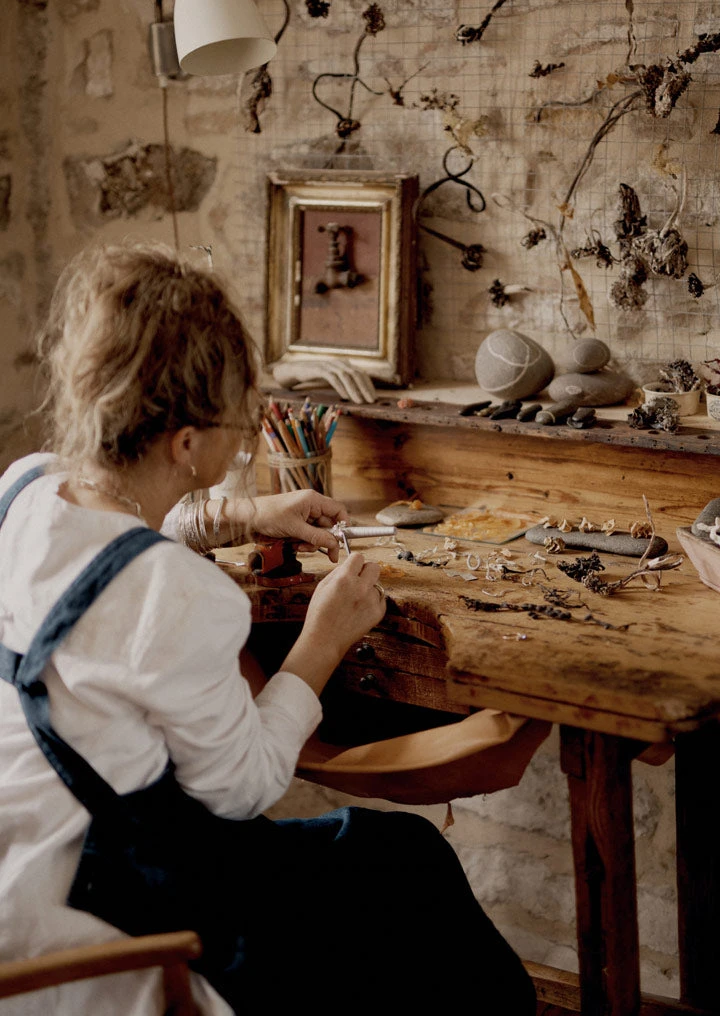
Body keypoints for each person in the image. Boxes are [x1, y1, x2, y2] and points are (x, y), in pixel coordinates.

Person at [0, 242, 536, 1015]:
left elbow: (112, 548)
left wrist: (242, 512)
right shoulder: (176, 593)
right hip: (90, 920)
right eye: (238, 414)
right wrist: (326, 635)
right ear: (187, 444)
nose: (247, 426)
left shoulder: (27, 485)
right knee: (403, 865)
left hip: (17, 859)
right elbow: (242, 788)